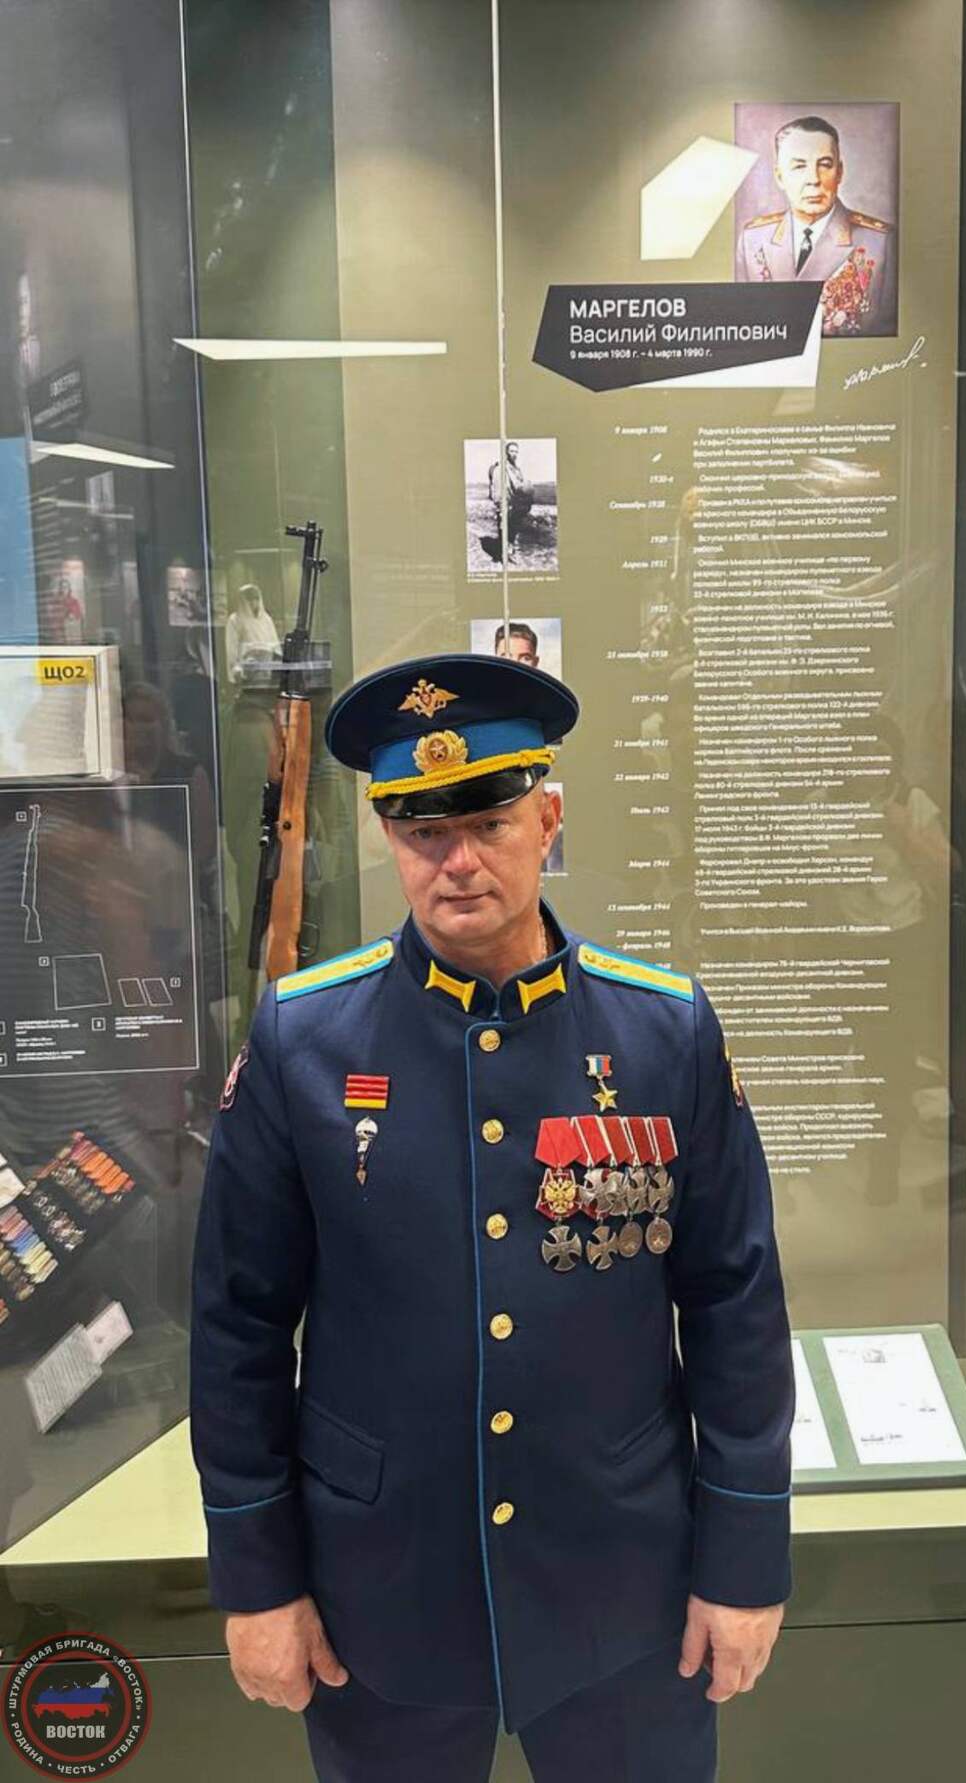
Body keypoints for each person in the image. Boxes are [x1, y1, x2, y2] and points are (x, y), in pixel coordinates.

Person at [189, 652, 794, 1783]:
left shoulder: (663, 1032)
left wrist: (746, 1560)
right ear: (387, 834)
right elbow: (239, 1323)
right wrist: (257, 1581)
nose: (456, 860)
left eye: (488, 821)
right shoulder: (302, 1040)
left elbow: (735, 1306)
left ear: (547, 819)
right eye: (423, 830)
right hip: (379, 1588)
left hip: (624, 1580)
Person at [736, 114, 896, 336]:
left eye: (825, 165)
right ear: (779, 177)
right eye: (799, 166)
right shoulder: (753, 240)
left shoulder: (881, 244)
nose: (813, 179)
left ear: (839, 172)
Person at [224, 581, 281, 684]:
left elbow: (275, 644)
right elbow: (232, 648)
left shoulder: (266, 619)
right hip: (246, 671)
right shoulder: (235, 619)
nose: (254, 602)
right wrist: (236, 668)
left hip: (267, 670)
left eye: (256, 599)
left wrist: (277, 663)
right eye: (250, 599)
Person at [487, 441, 535, 561]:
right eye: (512, 451)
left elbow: (520, 484)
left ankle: (510, 551)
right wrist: (500, 505)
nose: (514, 454)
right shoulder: (500, 468)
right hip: (505, 504)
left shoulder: (516, 469)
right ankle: (502, 554)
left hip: (516, 504)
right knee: (504, 528)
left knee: (513, 528)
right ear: (506, 452)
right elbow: (497, 488)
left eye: (516, 451)